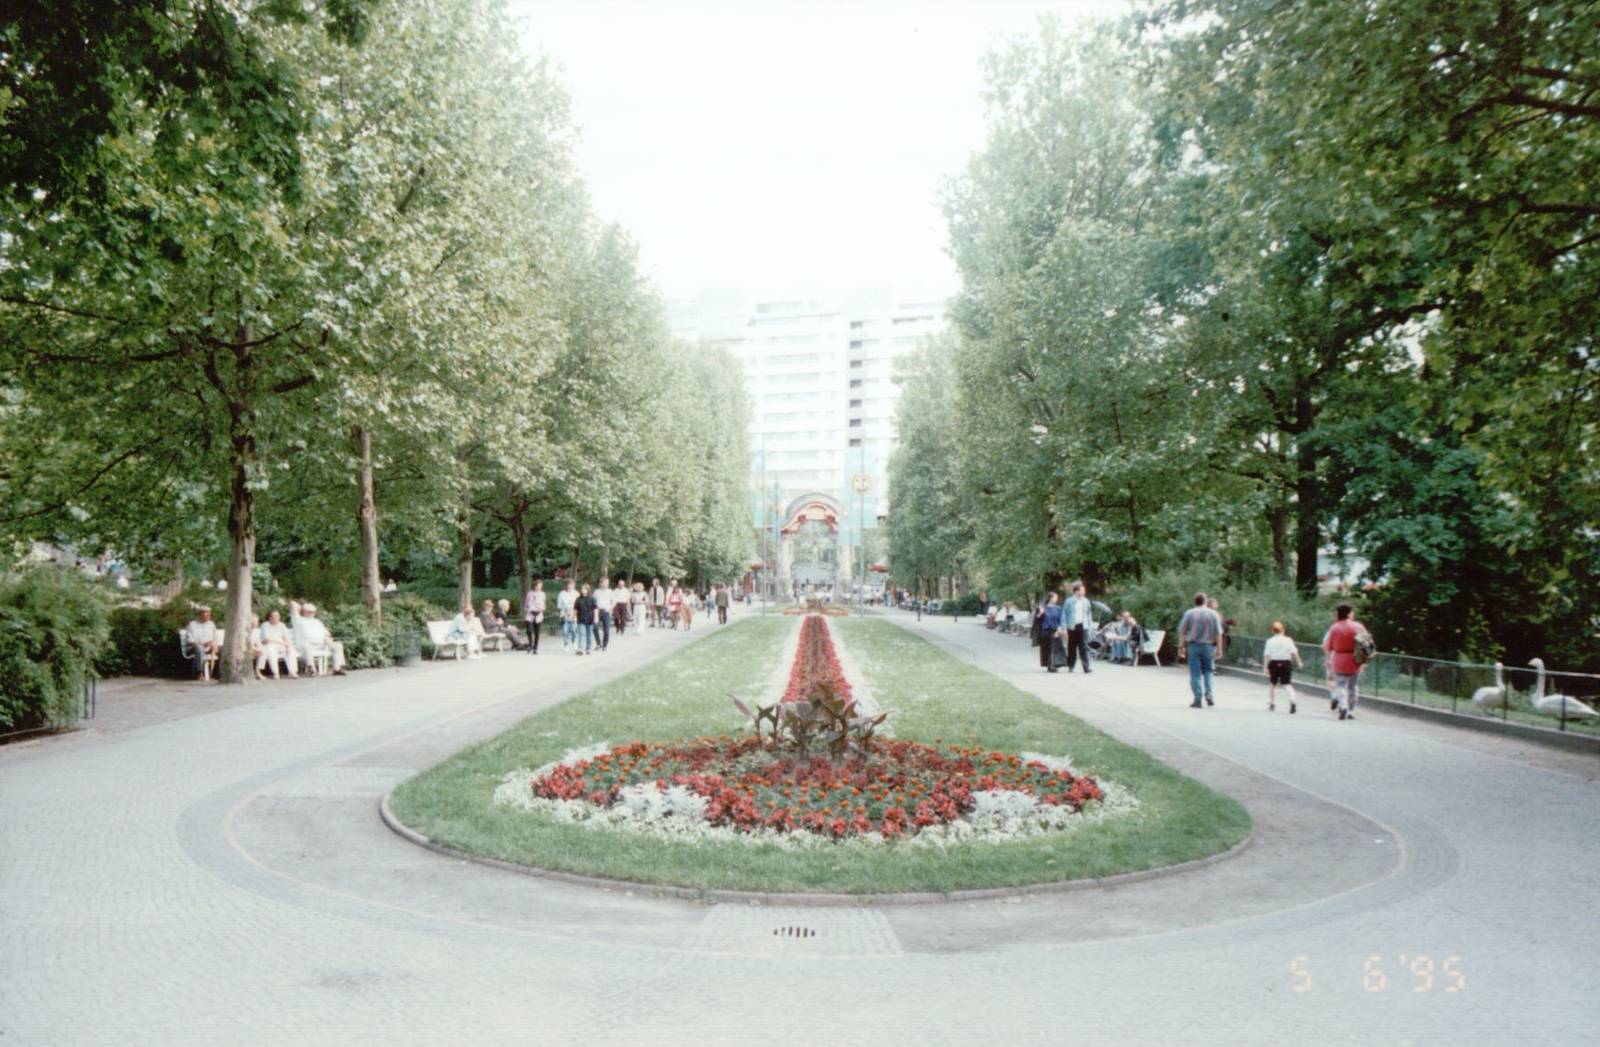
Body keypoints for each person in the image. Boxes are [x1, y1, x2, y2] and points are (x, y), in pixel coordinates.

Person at [1176, 592, 1224, 708]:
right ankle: (1209, 695)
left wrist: (1181, 647)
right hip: (1208, 646)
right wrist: (1219, 649)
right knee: (1208, 671)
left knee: (1195, 672)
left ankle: (1197, 699)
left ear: (1195, 601)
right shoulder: (1213, 614)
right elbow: (1218, 633)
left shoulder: (1189, 613)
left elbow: (1182, 631)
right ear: (1205, 601)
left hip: (1193, 646)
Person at [1322, 603, 1369, 720]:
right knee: (1353, 686)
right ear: (1349, 613)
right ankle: (1351, 710)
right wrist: (1364, 662)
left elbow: (1328, 646)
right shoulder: (1358, 626)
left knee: (1340, 685)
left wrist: (1328, 659)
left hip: (1339, 658)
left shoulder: (1334, 627)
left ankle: (1343, 706)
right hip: (1354, 658)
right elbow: (1366, 646)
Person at [289, 601, 347, 675]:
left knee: (337, 645)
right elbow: (292, 603)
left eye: (312, 612)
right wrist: (301, 608)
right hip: (306, 645)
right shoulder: (298, 620)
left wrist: (327, 638)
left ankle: (337, 669)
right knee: (306, 646)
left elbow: (327, 634)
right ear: (304, 611)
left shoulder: (317, 621)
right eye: (309, 611)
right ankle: (311, 668)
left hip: (321, 644)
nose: (311, 613)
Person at [1264, 620, 1303, 713]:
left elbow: (1267, 655)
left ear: (1272, 631)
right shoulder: (1288, 640)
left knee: (1273, 684)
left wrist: (1265, 667)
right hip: (1286, 663)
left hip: (1274, 663)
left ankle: (1272, 703)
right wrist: (1299, 662)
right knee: (1287, 684)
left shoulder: (1270, 641)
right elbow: (1294, 652)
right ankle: (1293, 700)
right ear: (1283, 630)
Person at [1062, 583, 1094, 674]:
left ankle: (1086, 667)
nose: (1084, 592)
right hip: (1072, 626)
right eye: (1082, 590)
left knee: (1083, 647)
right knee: (1071, 647)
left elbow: (1089, 614)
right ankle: (1071, 666)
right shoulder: (1069, 601)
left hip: (1083, 626)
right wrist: (1064, 627)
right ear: (1076, 591)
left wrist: (1090, 627)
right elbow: (1064, 614)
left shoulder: (1086, 601)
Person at [257, 610, 298, 679]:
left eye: (278, 616)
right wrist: (282, 643)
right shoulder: (265, 625)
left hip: (280, 645)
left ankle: (292, 672)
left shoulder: (281, 625)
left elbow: (286, 638)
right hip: (269, 645)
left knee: (291, 650)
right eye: (275, 616)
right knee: (271, 650)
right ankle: (276, 673)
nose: (277, 617)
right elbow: (266, 640)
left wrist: (287, 646)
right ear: (269, 617)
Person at [183, 607, 219, 680]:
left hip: (209, 648)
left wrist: (214, 644)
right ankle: (199, 673)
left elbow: (215, 638)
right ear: (199, 615)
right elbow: (190, 641)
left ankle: (220, 673)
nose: (207, 618)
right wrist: (203, 644)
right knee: (199, 648)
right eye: (205, 616)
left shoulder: (211, 624)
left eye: (208, 616)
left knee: (224, 649)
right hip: (193, 648)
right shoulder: (192, 625)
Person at [1040, 591, 1063, 672]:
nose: (1056, 599)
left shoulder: (1058, 608)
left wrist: (1059, 630)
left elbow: (1061, 620)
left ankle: (1053, 665)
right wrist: (1040, 613)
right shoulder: (1043, 607)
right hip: (1045, 630)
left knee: (1053, 648)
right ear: (1050, 598)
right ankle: (1049, 664)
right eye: (1055, 597)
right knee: (1047, 648)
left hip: (1054, 630)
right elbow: (1037, 618)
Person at [573, 584, 597, 655]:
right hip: (581, 619)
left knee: (589, 634)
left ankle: (588, 648)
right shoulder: (578, 599)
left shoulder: (592, 599)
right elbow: (575, 609)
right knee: (581, 634)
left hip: (590, 619)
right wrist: (573, 618)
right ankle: (580, 648)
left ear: (588, 590)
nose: (583, 590)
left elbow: (595, 609)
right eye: (582, 589)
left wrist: (596, 618)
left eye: (585, 589)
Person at [524, 581, 545, 655]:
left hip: (538, 614)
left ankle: (535, 648)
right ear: (535, 586)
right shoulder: (530, 594)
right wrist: (527, 609)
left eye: (540, 586)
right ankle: (530, 644)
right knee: (529, 630)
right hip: (530, 614)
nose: (539, 587)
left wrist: (542, 608)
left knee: (537, 632)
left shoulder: (542, 594)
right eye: (538, 586)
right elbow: (525, 605)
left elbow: (544, 605)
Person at [557, 580, 578, 651]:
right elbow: (559, 605)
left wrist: (574, 611)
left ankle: (574, 641)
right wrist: (564, 611)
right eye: (568, 585)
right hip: (564, 615)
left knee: (574, 630)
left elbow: (578, 605)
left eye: (571, 585)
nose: (570, 586)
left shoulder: (576, 593)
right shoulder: (562, 594)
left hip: (573, 614)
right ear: (566, 585)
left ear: (573, 585)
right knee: (565, 631)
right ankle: (566, 644)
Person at [593, 578, 613, 651]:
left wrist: (610, 608)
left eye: (607, 583)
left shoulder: (610, 592)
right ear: (601, 583)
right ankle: (598, 643)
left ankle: (605, 645)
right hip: (597, 612)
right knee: (595, 628)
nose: (606, 584)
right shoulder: (596, 592)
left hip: (606, 612)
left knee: (606, 630)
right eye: (605, 583)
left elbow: (614, 601)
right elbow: (593, 601)